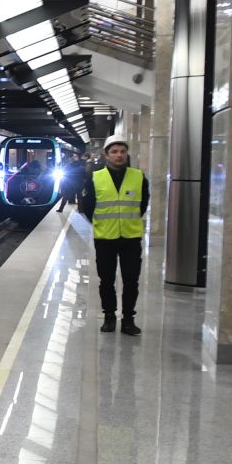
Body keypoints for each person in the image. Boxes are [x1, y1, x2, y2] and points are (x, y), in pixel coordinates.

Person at [81, 139, 148, 335]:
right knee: (106, 280)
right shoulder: (95, 178)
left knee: (131, 280)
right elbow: (87, 206)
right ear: (107, 155)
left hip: (131, 237)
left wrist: (129, 221)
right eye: (115, 151)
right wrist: (101, 224)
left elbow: (143, 204)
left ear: (127, 154)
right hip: (105, 238)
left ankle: (128, 319)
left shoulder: (139, 177)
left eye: (122, 151)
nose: (119, 155)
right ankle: (109, 316)